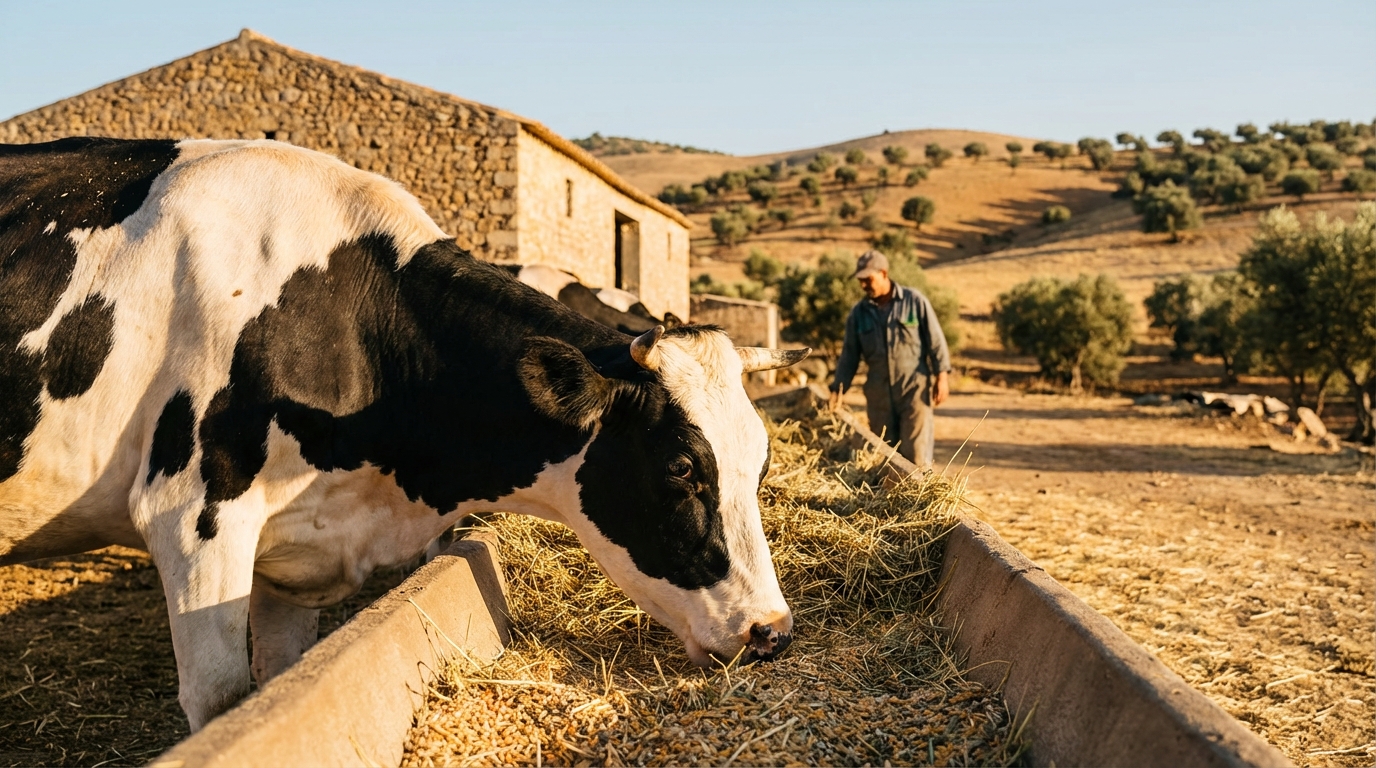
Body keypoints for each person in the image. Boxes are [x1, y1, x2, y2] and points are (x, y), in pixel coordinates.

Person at [828, 250, 951, 466]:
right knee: (885, 457)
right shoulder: (858, 314)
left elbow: (936, 341)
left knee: (916, 455)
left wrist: (942, 376)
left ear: (884, 273)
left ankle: (916, 499)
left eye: (868, 280)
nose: (864, 285)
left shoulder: (914, 302)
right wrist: (838, 389)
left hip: (914, 391)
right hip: (878, 396)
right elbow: (849, 356)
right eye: (861, 281)